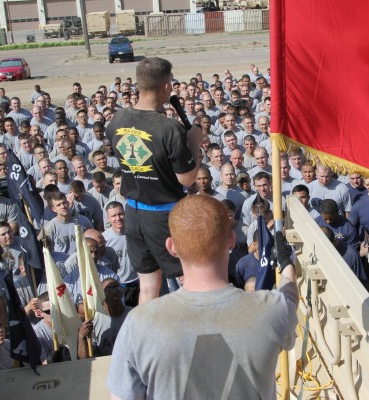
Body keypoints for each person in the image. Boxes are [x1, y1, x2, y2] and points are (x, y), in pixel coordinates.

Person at [107, 195, 297, 399]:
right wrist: (287, 265)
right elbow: (290, 295)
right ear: (231, 241)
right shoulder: (273, 310)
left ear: (171, 247)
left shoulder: (139, 324)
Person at [107, 58, 203, 304]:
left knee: (148, 286)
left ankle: (147, 339)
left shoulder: (117, 120)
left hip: (134, 214)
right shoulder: (168, 128)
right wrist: (194, 144)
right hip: (165, 216)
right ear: (165, 86)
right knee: (187, 280)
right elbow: (188, 178)